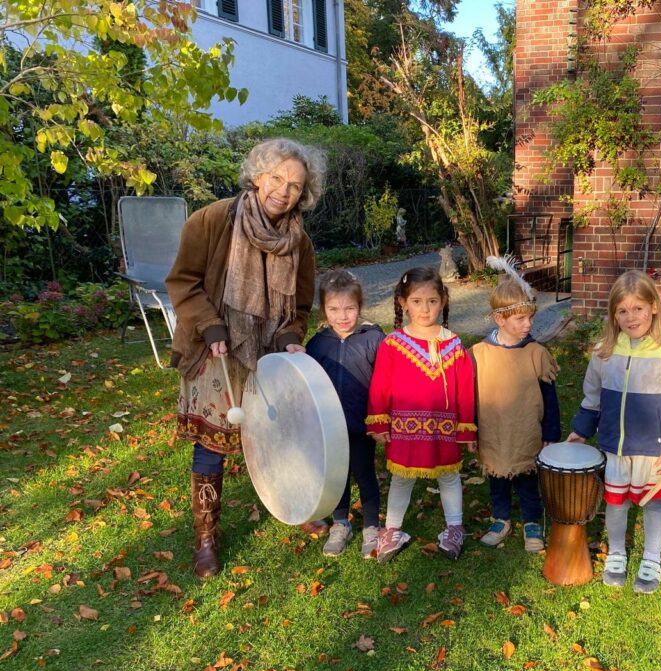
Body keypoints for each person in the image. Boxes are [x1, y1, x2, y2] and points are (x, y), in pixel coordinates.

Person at [167, 137, 326, 578]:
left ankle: (288, 502)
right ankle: (205, 536)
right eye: (277, 178)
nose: (284, 190)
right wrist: (209, 324)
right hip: (215, 345)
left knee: (278, 432)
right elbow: (182, 281)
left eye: (295, 185)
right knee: (212, 442)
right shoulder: (213, 220)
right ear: (258, 175)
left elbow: (300, 305)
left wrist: (290, 335)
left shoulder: (300, 241)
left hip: (268, 351)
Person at [567, 270, 661, 594]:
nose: (630, 317)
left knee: (652, 504)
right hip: (615, 446)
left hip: (653, 450)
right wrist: (581, 431)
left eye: (638, 308)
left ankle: (651, 558)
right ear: (613, 315)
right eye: (622, 310)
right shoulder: (604, 351)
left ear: (654, 306)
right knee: (616, 502)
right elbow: (592, 396)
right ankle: (617, 555)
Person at [365, 266, 476, 563]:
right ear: (403, 303)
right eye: (416, 301)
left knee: (450, 476)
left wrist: (466, 429)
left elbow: (465, 390)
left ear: (443, 301)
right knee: (401, 478)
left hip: (445, 429)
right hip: (404, 429)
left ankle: (454, 528)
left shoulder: (453, 345)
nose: (425, 309)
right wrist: (378, 420)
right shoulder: (392, 344)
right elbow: (380, 387)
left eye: (432, 301)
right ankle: (392, 530)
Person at [471, 257, 560, 553]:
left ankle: (533, 521)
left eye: (530, 317)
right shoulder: (479, 354)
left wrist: (551, 435)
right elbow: (470, 395)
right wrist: (469, 432)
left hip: (526, 432)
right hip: (493, 432)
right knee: (497, 477)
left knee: (526, 478)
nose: (529, 324)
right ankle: (501, 519)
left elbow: (550, 397)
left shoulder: (536, 353)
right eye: (521, 319)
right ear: (500, 319)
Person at [305, 269, 385, 558]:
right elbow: (308, 385)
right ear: (324, 310)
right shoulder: (316, 345)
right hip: (330, 428)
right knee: (337, 477)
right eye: (334, 309)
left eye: (349, 308)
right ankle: (341, 524)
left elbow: (385, 382)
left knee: (365, 475)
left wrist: (381, 419)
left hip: (363, 425)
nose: (342, 316)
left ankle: (371, 527)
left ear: (359, 307)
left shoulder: (373, 339)